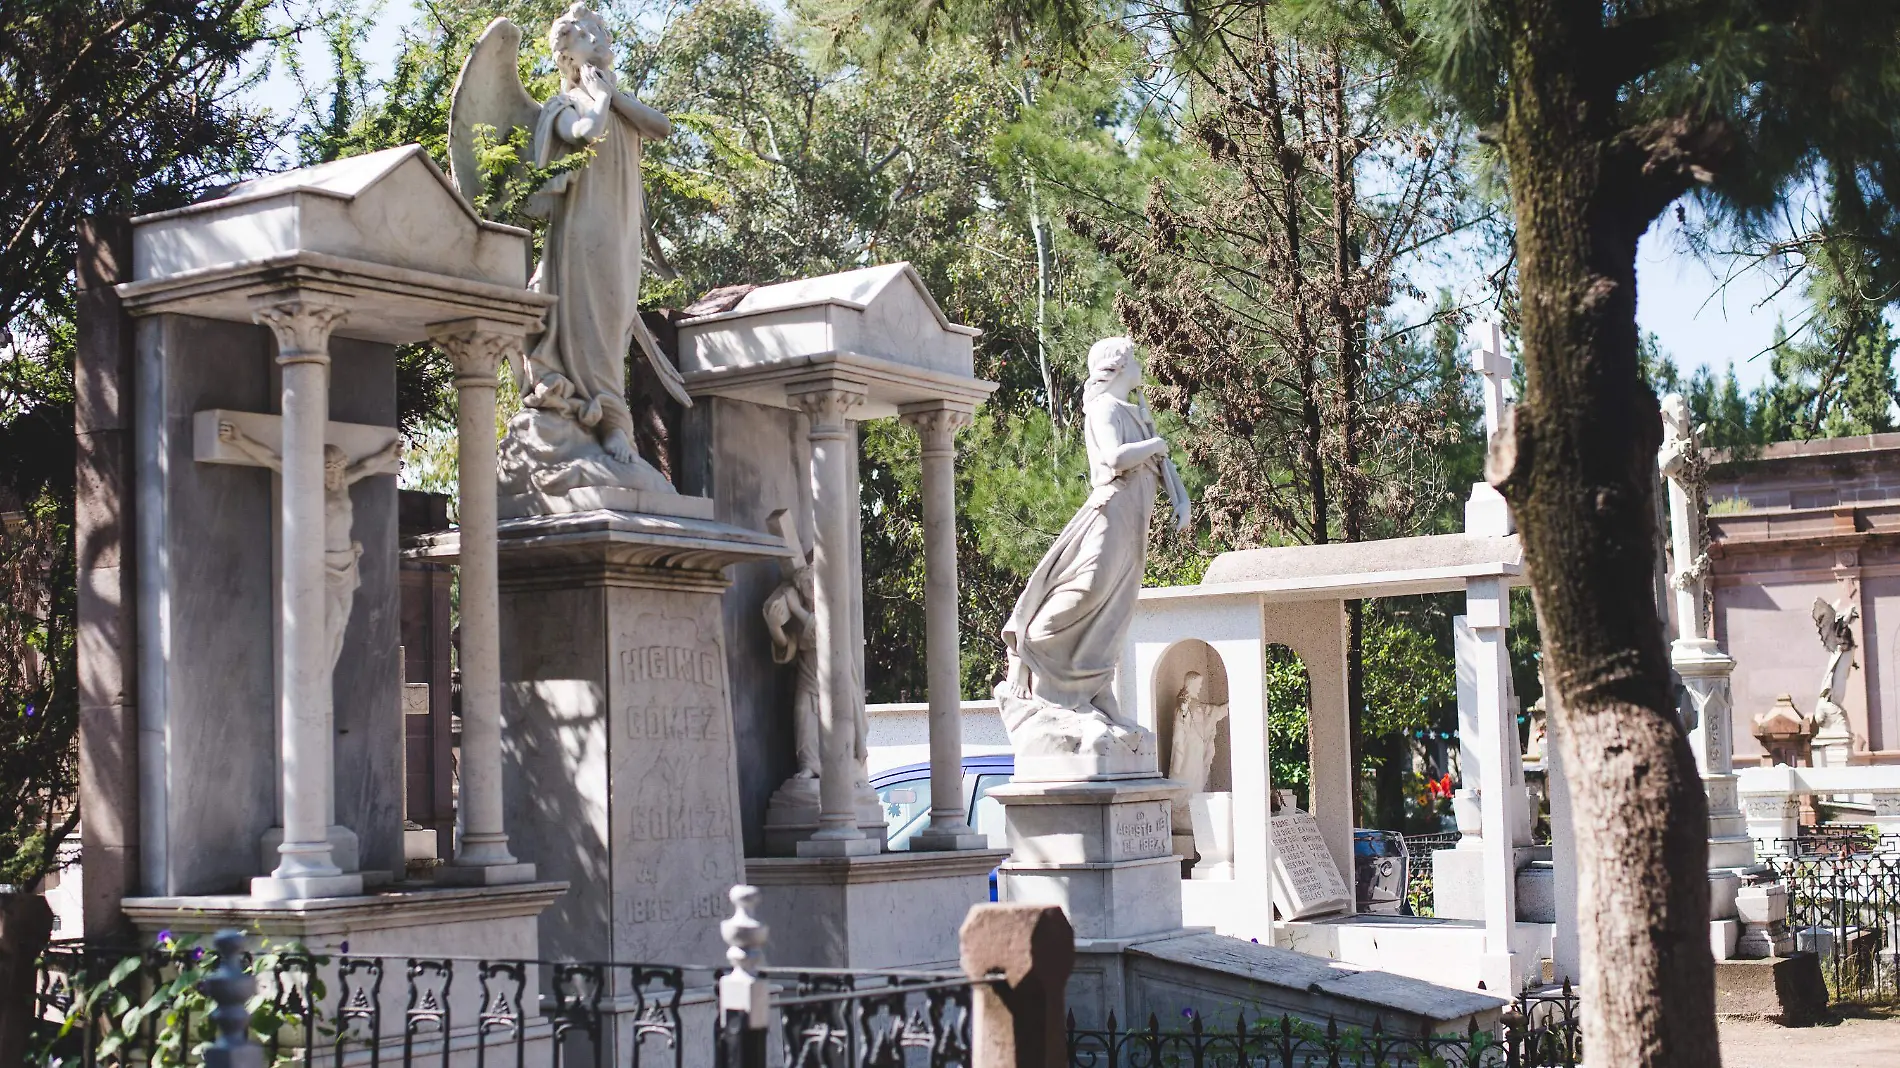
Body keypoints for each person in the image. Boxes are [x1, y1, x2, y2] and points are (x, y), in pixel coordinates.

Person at [997, 336, 1190, 756]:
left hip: (1136, 522)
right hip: (1112, 513)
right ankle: (1026, 649)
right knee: (1087, 591)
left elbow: (1164, 466)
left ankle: (1097, 692)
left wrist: (1182, 499)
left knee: (1112, 613)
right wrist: (1155, 446)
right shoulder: (1104, 409)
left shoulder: (1136, 413)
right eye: (1134, 359)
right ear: (1117, 368)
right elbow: (1114, 458)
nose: (1141, 365)